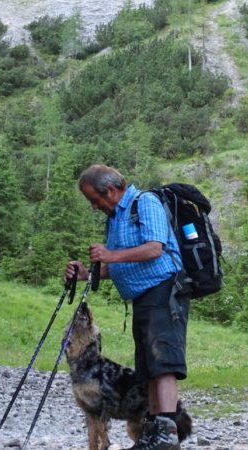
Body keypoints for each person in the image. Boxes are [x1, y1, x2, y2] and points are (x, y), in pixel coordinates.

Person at [65, 164, 189, 450]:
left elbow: (154, 248)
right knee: (148, 368)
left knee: (163, 363)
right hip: (143, 297)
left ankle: (166, 435)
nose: (95, 207)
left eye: (95, 200)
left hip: (165, 291)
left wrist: (109, 254)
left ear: (110, 190)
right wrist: (88, 273)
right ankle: (152, 434)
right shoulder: (116, 218)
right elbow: (120, 264)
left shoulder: (144, 203)